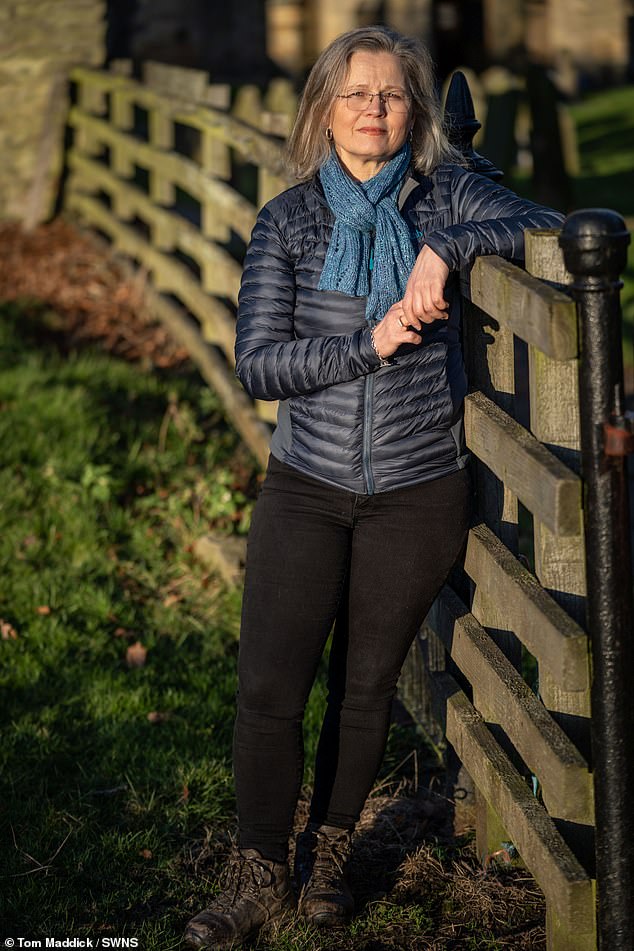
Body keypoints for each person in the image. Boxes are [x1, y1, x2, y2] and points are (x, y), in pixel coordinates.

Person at [185, 24, 563, 950]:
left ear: (417, 111)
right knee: (271, 688)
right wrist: (366, 343)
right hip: (306, 484)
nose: (375, 110)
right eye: (357, 94)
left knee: (366, 690)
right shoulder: (289, 220)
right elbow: (260, 366)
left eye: (393, 95)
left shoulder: (446, 193)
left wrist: (445, 246)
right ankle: (259, 870)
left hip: (415, 489)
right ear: (324, 108)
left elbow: (553, 229)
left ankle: (330, 859)